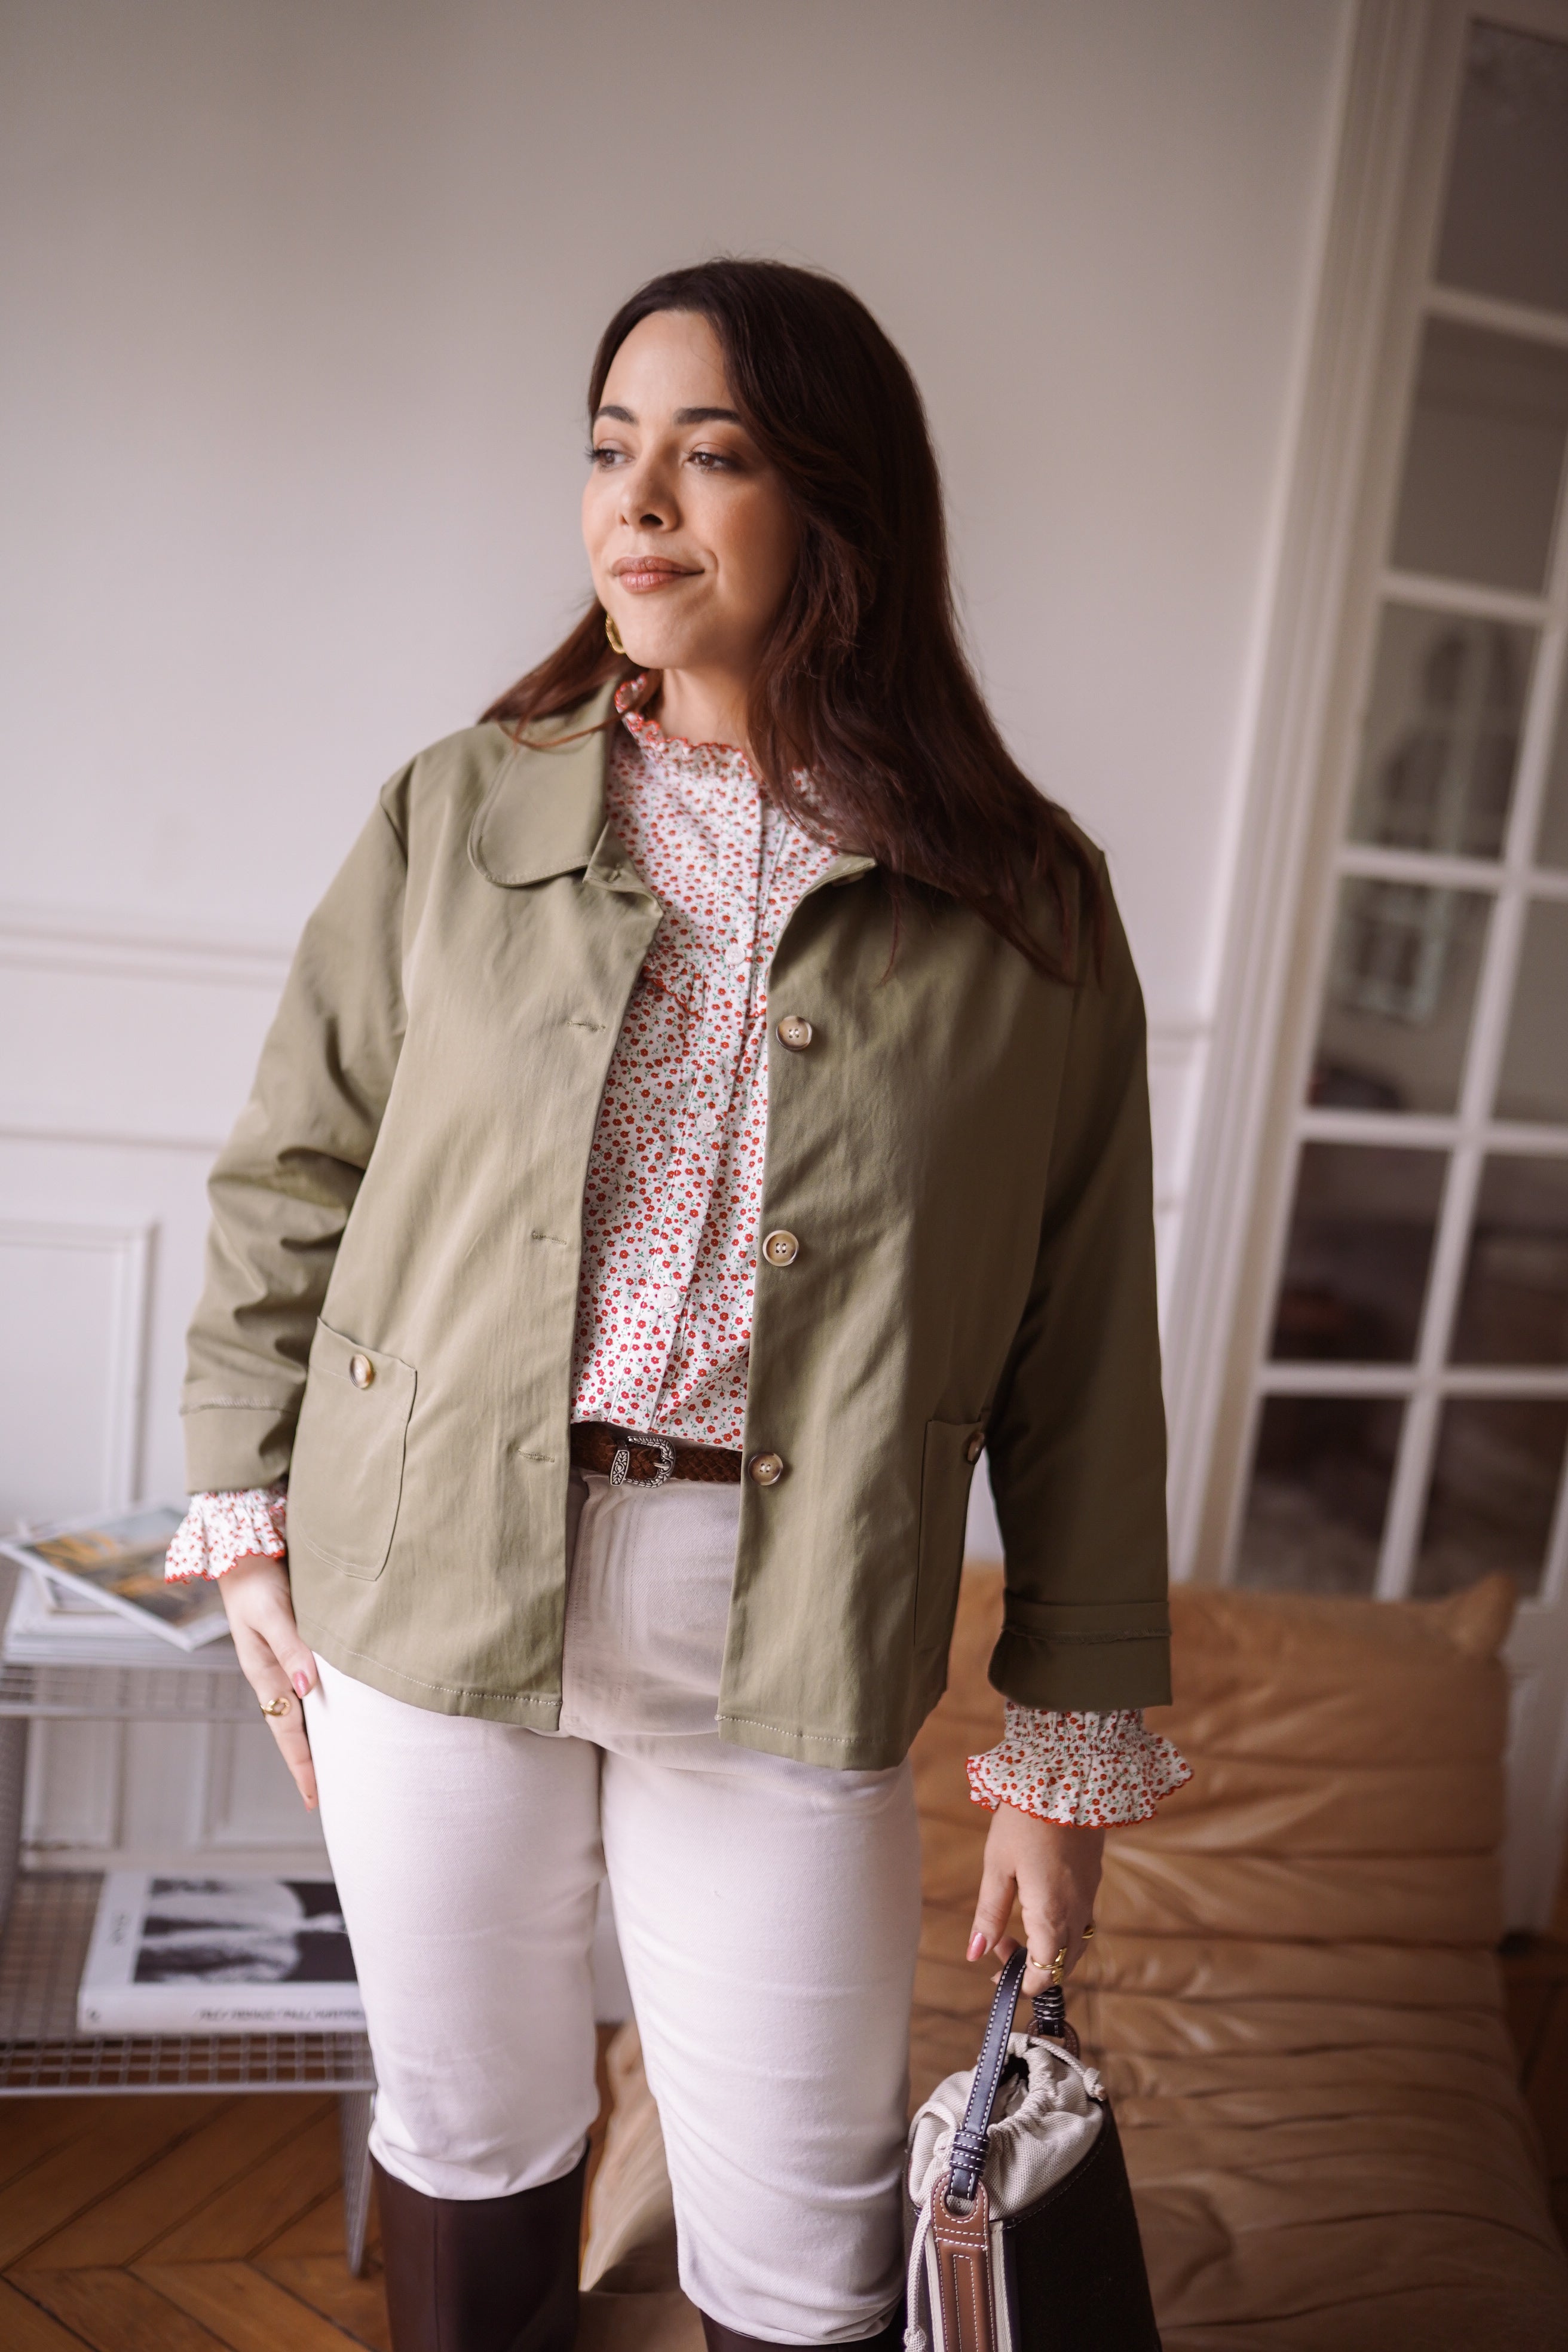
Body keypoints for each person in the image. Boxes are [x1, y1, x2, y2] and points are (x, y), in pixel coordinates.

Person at [167, 258, 1188, 2352]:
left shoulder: (1028, 901)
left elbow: (1082, 1351)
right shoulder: (460, 810)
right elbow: (292, 1177)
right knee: (469, 2139)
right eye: (611, 448)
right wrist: (248, 1525)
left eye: (709, 455)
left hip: (786, 1614)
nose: (636, 502)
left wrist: (1059, 1760)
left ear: (839, 506)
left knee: (806, 2248)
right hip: (429, 1571)